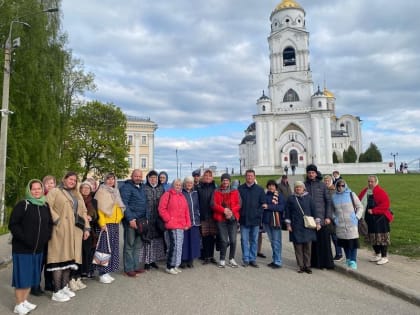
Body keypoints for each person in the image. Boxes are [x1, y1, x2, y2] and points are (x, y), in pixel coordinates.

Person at [9, 179, 53, 315]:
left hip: (38, 249)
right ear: (29, 190)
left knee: (31, 277)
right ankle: (18, 304)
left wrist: (46, 237)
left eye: (38, 189)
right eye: (33, 189)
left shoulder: (45, 205)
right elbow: (13, 225)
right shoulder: (23, 205)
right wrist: (26, 239)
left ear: (42, 190)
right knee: (22, 277)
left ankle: (24, 301)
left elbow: (49, 224)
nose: (36, 191)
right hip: (23, 249)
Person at [46, 172, 90, 302]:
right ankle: (56, 291)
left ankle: (64, 287)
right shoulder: (55, 191)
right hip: (60, 231)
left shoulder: (77, 194)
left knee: (69, 260)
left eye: (75, 180)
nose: (72, 182)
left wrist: (86, 228)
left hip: (75, 231)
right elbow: (47, 206)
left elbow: (83, 211)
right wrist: (57, 220)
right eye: (70, 179)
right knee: (59, 259)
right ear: (64, 179)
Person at [94, 173, 125, 283]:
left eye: (113, 179)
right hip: (105, 224)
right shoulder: (101, 191)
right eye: (108, 179)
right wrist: (102, 223)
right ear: (105, 180)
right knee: (104, 249)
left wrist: (120, 217)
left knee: (112, 248)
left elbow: (118, 206)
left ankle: (108, 271)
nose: (111, 181)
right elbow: (99, 209)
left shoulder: (115, 191)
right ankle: (102, 273)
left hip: (115, 223)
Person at [29, 175, 56, 296]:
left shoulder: (57, 196)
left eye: (52, 183)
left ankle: (49, 283)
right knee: (39, 261)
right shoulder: (41, 198)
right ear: (43, 185)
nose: (50, 185)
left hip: (52, 234)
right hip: (40, 236)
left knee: (50, 260)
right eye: (47, 183)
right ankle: (35, 285)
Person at [358, 175, 393, 265]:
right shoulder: (365, 191)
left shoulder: (380, 192)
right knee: (372, 237)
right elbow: (358, 201)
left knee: (381, 238)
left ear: (376, 182)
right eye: (369, 181)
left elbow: (386, 205)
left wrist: (374, 210)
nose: (370, 183)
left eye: (372, 181)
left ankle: (384, 257)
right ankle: (377, 254)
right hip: (369, 219)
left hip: (380, 219)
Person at [158, 179, 191, 275]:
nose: (178, 186)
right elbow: (161, 208)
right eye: (176, 184)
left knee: (179, 246)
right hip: (171, 226)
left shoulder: (182, 196)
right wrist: (168, 219)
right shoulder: (167, 194)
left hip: (180, 226)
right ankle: (169, 266)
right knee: (173, 246)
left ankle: (176, 264)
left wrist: (187, 223)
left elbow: (186, 211)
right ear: (173, 185)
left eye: (180, 185)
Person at [304, 164, 334, 270]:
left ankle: (325, 264)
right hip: (309, 219)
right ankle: (312, 263)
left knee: (323, 242)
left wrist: (328, 217)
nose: (311, 174)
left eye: (313, 172)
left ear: (316, 174)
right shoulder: (304, 185)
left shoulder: (322, 186)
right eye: (309, 173)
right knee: (311, 243)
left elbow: (328, 202)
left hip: (322, 218)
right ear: (307, 174)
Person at [284, 181, 318, 274]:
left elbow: (314, 210)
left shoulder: (309, 198)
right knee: (298, 248)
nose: (298, 189)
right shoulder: (291, 199)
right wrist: (288, 224)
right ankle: (301, 266)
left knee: (308, 247)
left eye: (300, 187)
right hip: (296, 226)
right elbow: (287, 212)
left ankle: (307, 266)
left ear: (303, 188)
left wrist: (317, 222)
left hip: (307, 226)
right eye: (296, 187)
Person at [331, 179, 364, 270]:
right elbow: (332, 210)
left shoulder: (351, 194)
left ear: (345, 185)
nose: (340, 187)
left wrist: (356, 217)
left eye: (342, 185)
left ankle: (353, 260)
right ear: (336, 186)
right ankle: (348, 259)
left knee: (353, 242)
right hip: (340, 224)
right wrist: (335, 219)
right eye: (338, 186)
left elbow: (360, 207)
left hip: (351, 223)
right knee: (344, 242)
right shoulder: (334, 197)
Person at [238, 169, 266, 268]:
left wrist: (258, 214)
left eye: (251, 176)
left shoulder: (259, 189)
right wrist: (240, 214)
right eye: (248, 176)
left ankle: (252, 259)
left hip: (255, 220)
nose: (249, 177)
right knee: (244, 240)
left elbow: (263, 204)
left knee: (254, 240)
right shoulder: (240, 189)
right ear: (245, 177)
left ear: (254, 177)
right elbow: (237, 204)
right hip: (244, 219)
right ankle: (246, 259)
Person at [212, 173, 241, 268]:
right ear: (221, 181)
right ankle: (222, 259)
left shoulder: (235, 191)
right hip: (221, 219)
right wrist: (224, 210)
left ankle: (231, 258)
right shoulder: (216, 191)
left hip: (232, 218)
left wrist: (231, 212)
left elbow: (239, 204)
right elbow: (213, 204)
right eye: (224, 180)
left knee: (233, 240)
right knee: (224, 240)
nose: (225, 182)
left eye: (227, 180)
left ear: (229, 181)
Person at [140, 170, 166, 270]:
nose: (153, 179)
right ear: (148, 178)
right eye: (151, 177)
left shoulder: (161, 188)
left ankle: (153, 260)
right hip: (147, 218)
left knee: (156, 240)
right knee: (147, 239)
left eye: (155, 177)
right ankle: (147, 261)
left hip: (157, 218)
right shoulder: (144, 188)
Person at [262, 180, 285, 269]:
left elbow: (281, 207)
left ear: (276, 187)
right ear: (267, 187)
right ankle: (275, 259)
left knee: (276, 242)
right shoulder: (265, 196)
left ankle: (278, 261)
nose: (271, 187)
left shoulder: (280, 196)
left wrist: (269, 206)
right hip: (267, 221)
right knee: (272, 242)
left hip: (276, 221)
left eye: (273, 186)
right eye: (269, 186)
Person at [78, 181, 98, 280]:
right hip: (78, 227)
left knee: (88, 250)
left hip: (90, 229)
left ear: (90, 190)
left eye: (88, 188)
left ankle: (86, 270)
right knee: (79, 250)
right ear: (80, 189)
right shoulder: (77, 199)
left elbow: (96, 216)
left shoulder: (94, 201)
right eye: (83, 188)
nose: (85, 190)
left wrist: (92, 217)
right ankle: (80, 271)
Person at [197, 169, 217, 264]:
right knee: (205, 236)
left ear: (212, 177)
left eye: (209, 176)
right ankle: (206, 256)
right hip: (203, 215)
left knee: (212, 236)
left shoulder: (215, 187)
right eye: (206, 175)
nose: (208, 177)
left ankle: (211, 256)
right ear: (203, 177)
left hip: (213, 215)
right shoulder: (199, 187)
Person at [181, 176, 201, 268]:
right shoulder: (181, 193)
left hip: (195, 221)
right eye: (187, 183)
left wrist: (199, 215)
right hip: (184, 221)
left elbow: (199, 206)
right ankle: (183, 260)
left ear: (193, 184)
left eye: (191, 183)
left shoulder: (196, 193)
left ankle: (191, 259)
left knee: (193, 241)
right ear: (184, 184)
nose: (189, 184)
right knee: (184, 241)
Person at [324, 175, 343, 262]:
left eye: (328, 180)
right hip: (324, 216)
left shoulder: (334, 191)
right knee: (326, 237)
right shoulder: (323, 190)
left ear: (331, 181)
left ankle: (339, 253)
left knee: (334, 236)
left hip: (333, 216)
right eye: (325, 180)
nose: (326, 182)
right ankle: (328, 255)